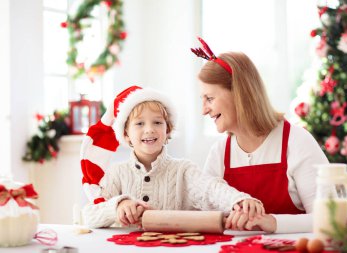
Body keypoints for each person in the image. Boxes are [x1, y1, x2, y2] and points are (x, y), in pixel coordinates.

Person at [191, 37, 329, 233]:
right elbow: (205, 215)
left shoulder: (297, 142)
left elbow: (330, 218)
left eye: (210, 98)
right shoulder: (219, 152)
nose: (204, 110)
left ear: (239, 93)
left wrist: (273, 222)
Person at [80, 85, 264, 228]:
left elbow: (211, 189)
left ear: (168, 130)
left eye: (157, 122)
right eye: (140, 123)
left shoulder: (183, 170)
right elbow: (90, 215)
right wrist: (118, 207)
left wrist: (238, 200)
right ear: (126, 134)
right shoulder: (116, 174)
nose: (149, 129)